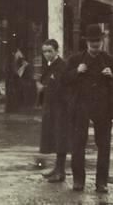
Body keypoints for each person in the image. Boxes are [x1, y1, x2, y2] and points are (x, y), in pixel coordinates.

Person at [65, 24, 113, 193]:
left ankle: (101, 182)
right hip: (81, 107)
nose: (95, 45)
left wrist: (112, 75)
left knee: (104, 146)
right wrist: (76, 71)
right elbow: (64, 80)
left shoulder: (109, 59)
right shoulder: (76, 60)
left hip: (103, 108)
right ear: (87, 42)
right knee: (78, 144)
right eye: (92, 42)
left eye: (98, 42)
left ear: (102, 41)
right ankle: (78, 181)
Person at [39, 39, 69, 183]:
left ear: (57, 50)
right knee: (54, 137)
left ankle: (61, 171)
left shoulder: (61, 66)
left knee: (60, 137)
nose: (47, 54)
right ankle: (57, 168)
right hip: (51, 106)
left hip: (60, 107)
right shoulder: (50, 65)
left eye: (50, 51)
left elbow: (60, 85)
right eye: (44, 51)